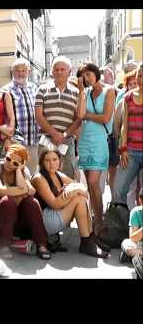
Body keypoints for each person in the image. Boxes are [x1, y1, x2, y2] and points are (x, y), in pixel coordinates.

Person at [31, 150, 110, 258]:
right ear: (42, 162)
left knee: (80, 198)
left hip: (57, 214)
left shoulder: (57, 174)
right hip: (45, 220)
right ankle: (87, 241)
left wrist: (71, 192)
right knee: (78, 198)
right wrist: (72, 192)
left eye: (55, 160)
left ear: (60, 161)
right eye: (47, 160)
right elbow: (54, 204)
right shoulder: (39, 178)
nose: (51, 163)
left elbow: (81, 187)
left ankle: (90, 239)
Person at [0, 144, 51, 260]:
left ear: (21, 164)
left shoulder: (22, 170)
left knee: (32, 202)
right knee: (7, 201)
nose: (10, 164)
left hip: (16, 215)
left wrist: (19, 171)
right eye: (8, 159)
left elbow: (30, 190)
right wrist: (21, 192)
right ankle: (3, 244)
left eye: (15, 163)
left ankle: (42, 243)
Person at [76, 62, 116, 240]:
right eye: (83, 76)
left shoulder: (109, 91)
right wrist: (80, 92)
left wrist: (88, 116)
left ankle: (100, 222)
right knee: (90, 187)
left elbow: (106, 117)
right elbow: (79, 114)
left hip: (99, 141)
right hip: (84, 141)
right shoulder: (85, 93)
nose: (86, 78)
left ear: (95, 73)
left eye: (89, 74)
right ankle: (94, 219)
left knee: (93, 183)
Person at [35, 56, 81, 179]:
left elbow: (79, 118)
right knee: (45, 176)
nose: (59, 72)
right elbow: (38, 116)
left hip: (67, 141)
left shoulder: (76, 93)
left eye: (62, 69)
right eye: (56, 69)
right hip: (46, 140)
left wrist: (64, 135)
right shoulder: (42, 90)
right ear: (52, 72)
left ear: (69, 72)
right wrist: (54, 133)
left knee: (67, 176)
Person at [1, 58, 40, 174]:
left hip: (33, 139)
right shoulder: (6, 90)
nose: (21, 73)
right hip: (16, 140)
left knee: (31, 173)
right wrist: (7, 138)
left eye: (24, 70)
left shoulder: (34, 88)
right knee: (15, 172)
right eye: (18, 70)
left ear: (28, 72)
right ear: (12, 72)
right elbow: (3, 117)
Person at [112, 63, 143, 210]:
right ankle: (129, 222)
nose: (141, 80)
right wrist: (122, 148)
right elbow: (124, 125)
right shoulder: (128, 97)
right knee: (119, 188)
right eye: (140, 76)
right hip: (130, 151)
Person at [120, 188, 143, 263]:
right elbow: (133, 238)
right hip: (139, 245)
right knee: (127, 244)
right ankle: (137, 256)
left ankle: (137, 257)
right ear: (141, 201)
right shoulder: (136, 212)